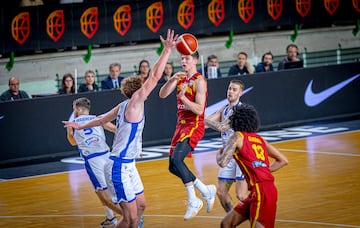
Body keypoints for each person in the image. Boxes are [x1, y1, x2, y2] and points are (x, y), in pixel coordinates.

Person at [63, 29, 178, 228]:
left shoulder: (124, 105)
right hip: (118, 165)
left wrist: (80, 124)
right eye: (144, 86)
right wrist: (167, 50)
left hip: (129, 164)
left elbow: (100, 120)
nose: (147, 88)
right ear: (139, 90)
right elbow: (154, 76)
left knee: (141, 206)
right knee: (130, 218)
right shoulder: (135, 103)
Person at [159, 50, 217, 220]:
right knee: (172, 166)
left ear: (195, 61)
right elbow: (161, 95)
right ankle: (206, 190)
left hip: (194, 125)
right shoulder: (179, 78)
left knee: (178, 160)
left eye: (187, 58)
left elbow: (200, 110)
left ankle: (194, 200)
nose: (184, 61)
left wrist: (183, 98)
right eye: (182, 58)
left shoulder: (200, 81)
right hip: (180, 126)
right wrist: (171, 79)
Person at [216, 103, 288, 228]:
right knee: (226, 224)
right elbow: (283, 160)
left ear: (235, 120)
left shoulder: (237, 137)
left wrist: (218, 154)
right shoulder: (259, 139)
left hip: (262, 192)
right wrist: (263, 171)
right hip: (262, 190)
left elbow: (223, 162)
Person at [65, 97, 122, 228]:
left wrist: (69, 131)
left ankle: (129, 216)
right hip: (107, 155)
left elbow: (73, 142)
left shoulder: (73, 124)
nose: (74, 111)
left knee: (102, 194)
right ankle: (111, 217)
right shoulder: (98, 118)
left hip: (92, 160)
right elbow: (116, 129)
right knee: (112, 188)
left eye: (74, 109)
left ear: (78, 109)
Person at [204, 79, 248, 213]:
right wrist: (193, 121)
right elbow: (206, 123)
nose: (230, 92)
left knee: (241, 195)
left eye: (234, 90)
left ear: (240, 93)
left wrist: (201, 118)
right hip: (229, 156)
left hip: (241, 155)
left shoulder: (239, 110)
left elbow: (222, 127)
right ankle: (231, 219)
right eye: (229, 88)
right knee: (221, 192)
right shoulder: (224, 109)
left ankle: (257, 215)